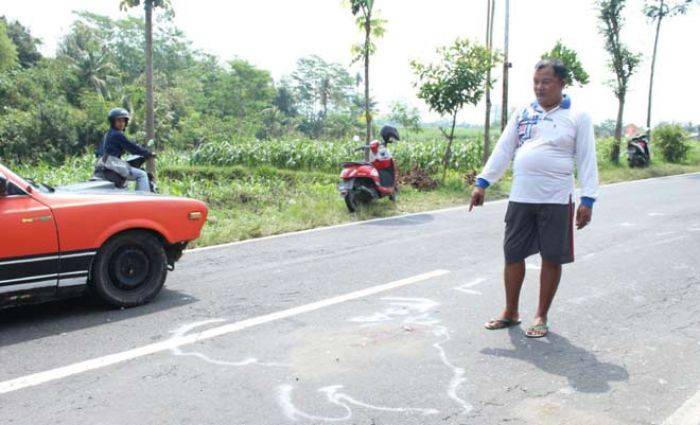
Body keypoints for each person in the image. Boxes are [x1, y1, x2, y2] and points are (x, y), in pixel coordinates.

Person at [469, 58, 599, 338]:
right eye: (536, 82)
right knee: (513, 253)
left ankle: (540, 315)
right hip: (521, 197)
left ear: (562, 84)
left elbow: (587, 159)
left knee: (552, 257)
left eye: (546, 82)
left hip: (556, 198)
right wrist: (483, 182)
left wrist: (588, 199)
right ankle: (511, 311)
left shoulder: (578, 116)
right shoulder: (524, 112)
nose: (539, 87)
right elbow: (504, 148)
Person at [97, 108, 154, 192]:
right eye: (119, 121)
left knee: (126, 175)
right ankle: (142, 199)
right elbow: (132, 148)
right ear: (113, 122)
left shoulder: (107, 134)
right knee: (142, 175)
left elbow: (98, 152)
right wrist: (147, 153)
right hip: (112, 165)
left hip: (101, 166)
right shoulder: (117, 135)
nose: (122, 123)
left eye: (123, 121)